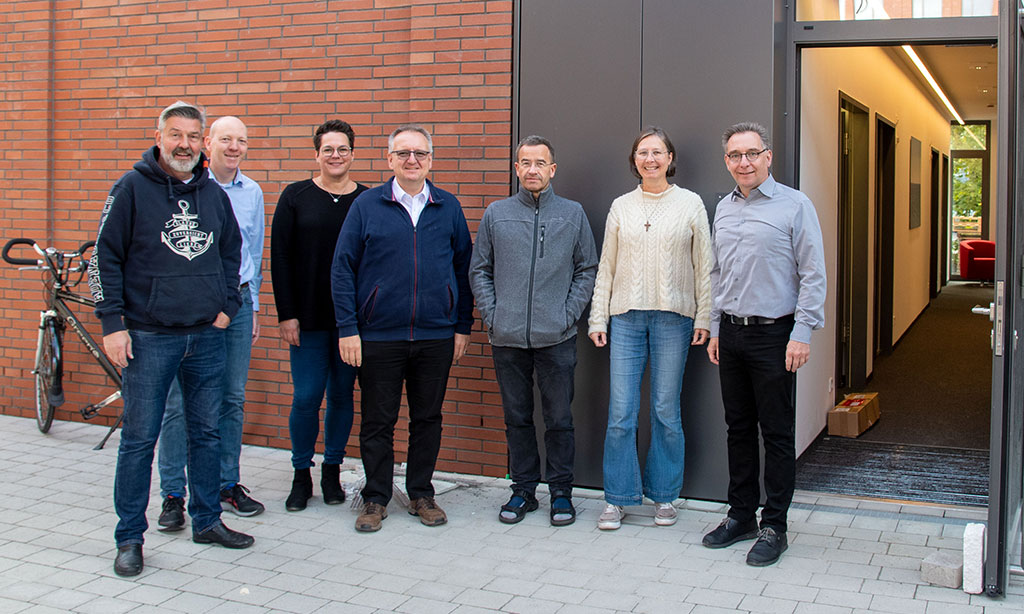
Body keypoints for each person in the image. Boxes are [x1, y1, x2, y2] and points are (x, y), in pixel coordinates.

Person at [90, 101, 254, 578]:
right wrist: (112, 324)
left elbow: (231, 253)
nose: (184, 144)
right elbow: (105, 259)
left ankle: (206, 520)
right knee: (140, 439)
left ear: (202, 141)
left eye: (192, 135)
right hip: (148, 336)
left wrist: (228, 307)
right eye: (175, 134)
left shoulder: (212, 193)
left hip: (206, 335)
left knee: (206, 432)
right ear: (159, 136)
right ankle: (128, 539)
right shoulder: (131, 188)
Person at [332, 124, 473, 533]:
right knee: (378, 420)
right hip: (378, 335)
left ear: (431, 160)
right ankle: (375, 497)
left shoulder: (447, 206)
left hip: (435, 334)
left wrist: (461, 325)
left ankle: (421, 494)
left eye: (420, 154)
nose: (413, 160)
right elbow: (342, 269)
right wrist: (348, 328)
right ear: (389, 159)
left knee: (427, 418)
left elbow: (463, 270)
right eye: (404, 153)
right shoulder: (367, 205)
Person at [703, 121, 826, 566]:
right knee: (737, 429)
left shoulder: (795, 205)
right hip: (732, 333)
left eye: (752, 153)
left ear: (768, 156)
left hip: (777, 335)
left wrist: (802, 333)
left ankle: (775, 524)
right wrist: (716, 328)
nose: (744, 162)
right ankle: (741, 516)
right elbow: (718, 274)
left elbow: (813, 274)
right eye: (735, 156)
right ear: (727, 162)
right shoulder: (724, 208)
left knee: (775, 434)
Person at [470, 135, 598, 526]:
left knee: (559, 418)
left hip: (555, 338)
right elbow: (480, 269)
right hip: (507, 338)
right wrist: (493, 315)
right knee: (517, 418)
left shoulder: (572, 214)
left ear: (552, 169)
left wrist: (566, 315)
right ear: (516, 168)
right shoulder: (497, 213)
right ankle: (523, 490)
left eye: (539, 163)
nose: (532, 170)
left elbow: (586, 269)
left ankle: (561, 492)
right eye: (525, 163)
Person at [588, 126, 712, 531]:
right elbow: (606, 265)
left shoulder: (690, 204)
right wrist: (597, 317)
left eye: (658, 152)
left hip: (674, 319)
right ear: (634, 159)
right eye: (643, 153)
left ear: (670, 158)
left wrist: (705, 317)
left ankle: (664, 495)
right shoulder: (621, 206)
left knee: (665, 409)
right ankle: (618, 498)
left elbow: (704, 267)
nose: (650, 159)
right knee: (621, 412)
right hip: (625, 317)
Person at [156, 116, 266, 533]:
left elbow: (251, 251)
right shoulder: (186, 186)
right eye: (226, 139)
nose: (234, 147)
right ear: (208, 143)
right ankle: (173, 494)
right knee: (177, 403)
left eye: (241, 140)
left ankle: (225, 483)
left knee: (231, 398)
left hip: (237, 302)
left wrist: (253, 305)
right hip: (195, 305)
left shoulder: (252, 191)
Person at [271, 119, 368, 512]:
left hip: (349, 321)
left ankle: (332, 470)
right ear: (317, 154)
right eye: (328, 149)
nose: (335, 156)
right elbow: (280, 258)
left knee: (342, 396)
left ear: (352, 154)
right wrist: (286, 314)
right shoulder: (295, 196)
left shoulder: (366, 199)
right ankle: (300, 473)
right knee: (307, 396)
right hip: (306, 318)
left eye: (342, 149)